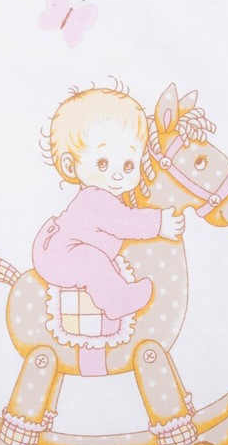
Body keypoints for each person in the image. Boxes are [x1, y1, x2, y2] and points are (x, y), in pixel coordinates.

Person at [33, 87, 184, 321]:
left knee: (94, 259)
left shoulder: (103, 196)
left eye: (128, 165)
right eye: (102, 163)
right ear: (70, 166)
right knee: (91, 261)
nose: (117, 175)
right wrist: (159, 222)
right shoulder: (95, 199)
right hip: (59, 254)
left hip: (58, 247)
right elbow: (125, 223)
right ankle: (118, 301)